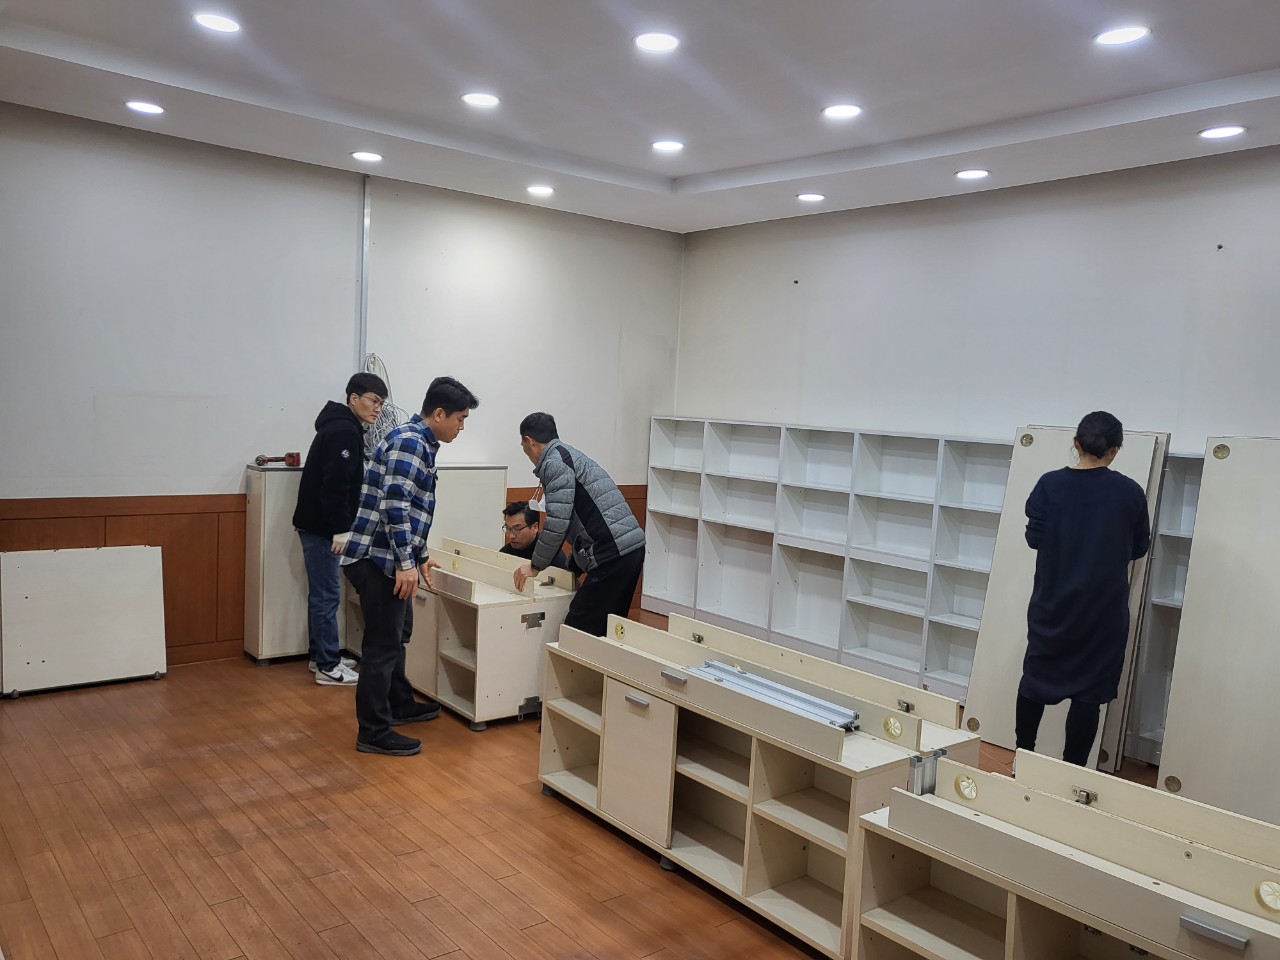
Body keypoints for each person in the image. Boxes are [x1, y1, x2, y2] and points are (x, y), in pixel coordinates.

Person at [341, 376, 480, 756]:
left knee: (397, 634)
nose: (461, 427)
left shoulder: (419, 441)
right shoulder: (410, 442)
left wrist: (418, 556)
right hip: (377, 560)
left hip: (389, 557)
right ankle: (373, 731)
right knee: (382, 647)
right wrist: (406, 562)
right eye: (460, 419)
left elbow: (413, 508)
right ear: (439, 413)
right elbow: (394, 505)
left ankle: (398, 703)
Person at [1016, 411, 1151, 766]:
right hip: (1103, 612)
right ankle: (1072, 774)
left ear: (1076, 444)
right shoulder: (1130, 492)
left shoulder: (1049, 485)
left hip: (1053, 605)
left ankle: (1023, 758)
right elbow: (1139, 547)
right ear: (1115, 450)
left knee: (1036, 680)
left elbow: (1034, 539)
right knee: (1089, 693)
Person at [292, 372, 387, 686]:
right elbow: (335, 485)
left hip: (318, 525)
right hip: (323, 528)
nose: (377, 408)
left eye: (381, 403)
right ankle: (328, 666)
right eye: (373, 401)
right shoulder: (343, 430)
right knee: (327, 595)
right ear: (353, 398)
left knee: (322, 594)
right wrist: (341, 529)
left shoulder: (341, 426)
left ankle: (321, 656)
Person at [512, 412, 645, 636]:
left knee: (578, 631)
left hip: (612, 553)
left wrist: (535, 566)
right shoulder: (566, 455)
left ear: (529, 441)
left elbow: (558, 523)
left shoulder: (554, 463)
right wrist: (571, 569)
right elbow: (582, 522)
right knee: (606, 629)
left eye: (522, 445)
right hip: (627, 549)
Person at [499, 500, 569, 569]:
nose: (511, 536)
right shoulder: (504, 554)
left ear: (534, 527)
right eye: (508, 528)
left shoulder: (552, 556)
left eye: (517, 529)